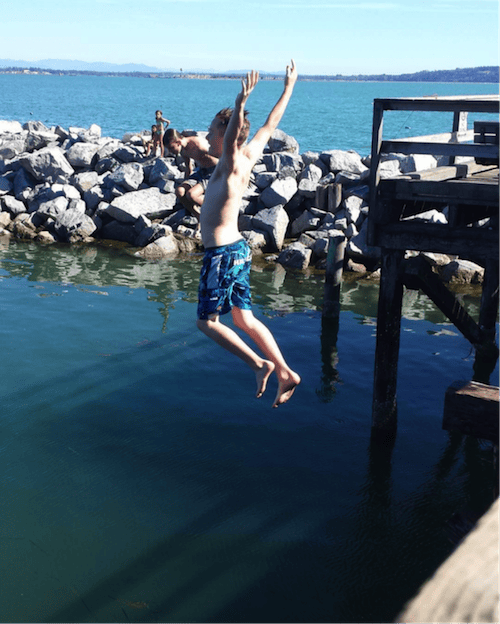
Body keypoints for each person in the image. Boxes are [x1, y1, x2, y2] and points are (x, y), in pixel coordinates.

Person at [196, 60, 301, 408]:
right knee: (243, 318)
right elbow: (271, 124)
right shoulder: (249, 155)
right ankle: (286, 371)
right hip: (239, 250)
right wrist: (288, 88)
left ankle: (260, 364)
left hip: (222, 253)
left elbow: (232, 135)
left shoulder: (229, 162)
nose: (208, 136)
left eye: (212, 131)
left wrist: (240, 104)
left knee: (206, 323)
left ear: (226, 135)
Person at [164, 128, 218, 220]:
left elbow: (221, 157)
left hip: (214, 172)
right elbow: (188, 167)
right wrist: (186, 183)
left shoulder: (198, 145)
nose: (170, 152)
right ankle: (199, 216)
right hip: (201, 171)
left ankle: (216, 209)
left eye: (171, 148)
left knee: (191, 195)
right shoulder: (183, 150)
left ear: (178, 142)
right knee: (180, 191)